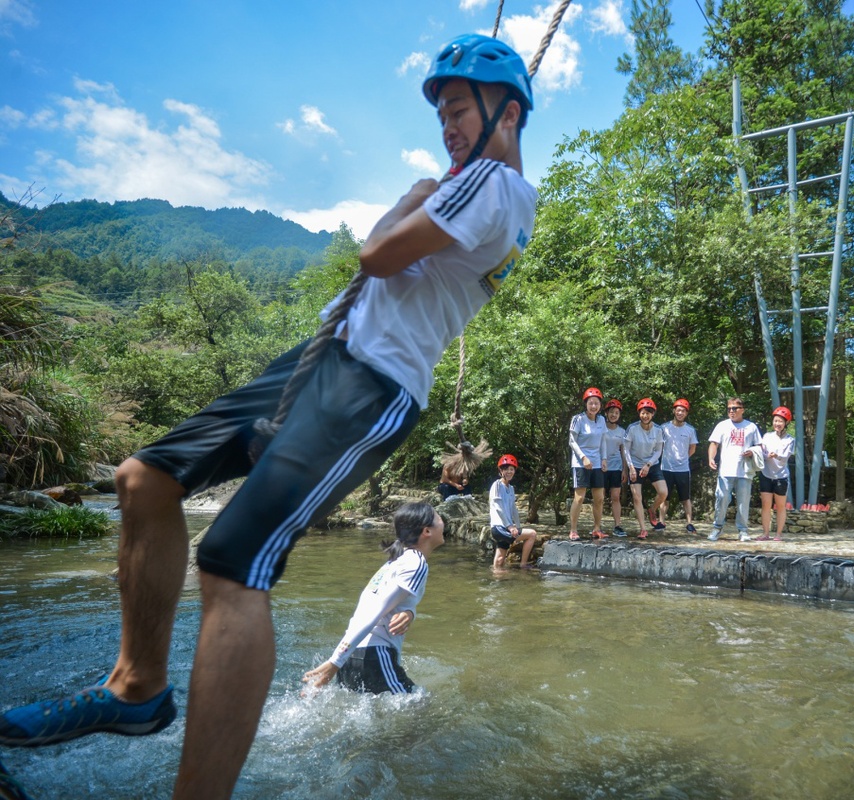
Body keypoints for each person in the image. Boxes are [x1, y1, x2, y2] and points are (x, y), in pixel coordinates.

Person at [0, 33, 536, 799]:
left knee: (232, 561)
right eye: (441, 115)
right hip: (320, 360)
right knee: (142, 479)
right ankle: (137, 686)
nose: (447, 126)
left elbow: (377, 256)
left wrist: (413, 195)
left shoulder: (495, 187)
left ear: (507, 112)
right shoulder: (493, 192)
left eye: (459, 110)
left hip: (370, 385)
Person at [301, 502, 443, 695]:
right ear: (427, 531)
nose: (443, 521)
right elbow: (374, 610)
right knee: (423, 705)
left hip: (354, 653)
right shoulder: (416, 563)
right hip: (372, 654)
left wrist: (410, 612)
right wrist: (335, 662)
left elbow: (372, 604)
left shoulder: (396, 561)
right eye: (438, 517)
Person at [707, 397, 762, 542]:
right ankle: (717, 527)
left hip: (745, 471)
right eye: (729, 409)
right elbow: (714, 443)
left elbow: (759, 446)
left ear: (742, 410)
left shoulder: (751, 427)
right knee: (722, 499)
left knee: (743, 501)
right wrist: (711, 458)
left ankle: (743, 531)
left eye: (734, 408)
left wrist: (752, 452)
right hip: (726, 470)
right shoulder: (722, 425)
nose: (731, 411)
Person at [568, 387, 609, 540]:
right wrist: (583, 457)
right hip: (580, 463)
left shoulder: (602, 420)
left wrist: (604, 459)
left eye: (596, 403)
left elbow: (603, 441)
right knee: (579, 497)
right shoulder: (578, 419)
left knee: (599, 498)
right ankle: (573, 530)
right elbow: (572, 441)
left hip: (597, 462)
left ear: (600, 405)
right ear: (586, 404)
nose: (593, 406)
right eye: (591, 403)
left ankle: (597, 529)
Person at [625, 398, 667, 539]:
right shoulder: (632, 428)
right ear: (639, 413)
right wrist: (631, 467)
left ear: (653, 414)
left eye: (648, 413)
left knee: (663, 492)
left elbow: (658, 450)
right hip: (635, 464)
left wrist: (648, 465)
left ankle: (652, 510)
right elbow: (626, 449)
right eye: (643, 413)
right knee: (637, 497)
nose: (645, 416)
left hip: (651, 464)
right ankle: (643, 529)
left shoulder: (658, 430)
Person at [487, 454, 538, 568]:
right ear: (501, 470)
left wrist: (518, 526)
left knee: (500, 559)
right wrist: (510, 526)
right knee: (532, 534)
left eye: (511, 469)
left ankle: (496, 576)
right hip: (499, 527)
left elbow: (513, 509)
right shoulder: (497, 485)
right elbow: (497, 507)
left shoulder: (511, 488)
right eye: (506, 469)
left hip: (506, 527)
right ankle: (523, 565)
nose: (509, 472)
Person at [660, 397, 699, 534]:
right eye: (678, 410)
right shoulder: (664, 428)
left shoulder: (690, 430)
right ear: (674, 411)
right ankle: (661, 522)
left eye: (683, 411)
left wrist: (683, 458)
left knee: (685, 498)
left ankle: (689, 523)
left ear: (686, 413)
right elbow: (659, 446)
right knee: (664, 497)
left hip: (683, 469)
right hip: (666, 468)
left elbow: (693, 448)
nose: (680, 413)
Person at [757, 406, 795, 541]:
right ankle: (765, 533)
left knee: (780, 506)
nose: (777, 423)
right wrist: (763, 455)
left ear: (786, 423)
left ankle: (778, 534)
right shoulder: (767, 436)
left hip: (781, 476)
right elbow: (761, 452)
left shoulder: (790, 440)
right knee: (765, 505)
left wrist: (776, 455)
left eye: (780, 421)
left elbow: (785, 457)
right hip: (766, 474)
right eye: (775, 421)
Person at [600, 398, 630, 537]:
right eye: (611, 412)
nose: (614, 415)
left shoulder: (622, 432)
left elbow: (624, 452)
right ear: (606, 413)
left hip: (616, 467)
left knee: (615, 497)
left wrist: (625, 470)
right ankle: (597, 526)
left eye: (616, 413)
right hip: (601, 466)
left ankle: (617, 525)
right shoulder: (600, 428)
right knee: (599, 497)